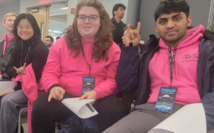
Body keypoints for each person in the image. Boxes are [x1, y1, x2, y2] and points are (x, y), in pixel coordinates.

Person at [103, 0, 214, 132]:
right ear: (156, 27)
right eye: (163, 21)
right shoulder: (151, 52)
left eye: (176, 18)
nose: (170, 25)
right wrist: (130, 49)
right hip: (154, 109)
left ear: (188, 21)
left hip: (194, 110)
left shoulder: (207, 49)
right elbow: (126, 85)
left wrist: (203, 114)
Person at [31, 0, 128, 133]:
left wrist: (96, 93)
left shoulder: (113, 48)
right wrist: (53, 86)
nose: (86, 21)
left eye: (92, 17)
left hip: (97, 96)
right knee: (40, 107)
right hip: (65, 96)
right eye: (82, 17)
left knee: (116, 109)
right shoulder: (60, 44)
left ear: (101, 21)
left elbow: (112, 80)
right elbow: (49, 72)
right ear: (76, 20)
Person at [0, 13, 49, 133]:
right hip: (18, 82)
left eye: (28, 26)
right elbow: (8, 68)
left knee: (8, 100)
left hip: (33, 87)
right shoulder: (18, 45)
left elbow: (36, 77)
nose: (23, 30)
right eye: (20, 26)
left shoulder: (40, 48)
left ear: (34, 28)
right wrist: (20, 74)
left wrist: (16, 87)